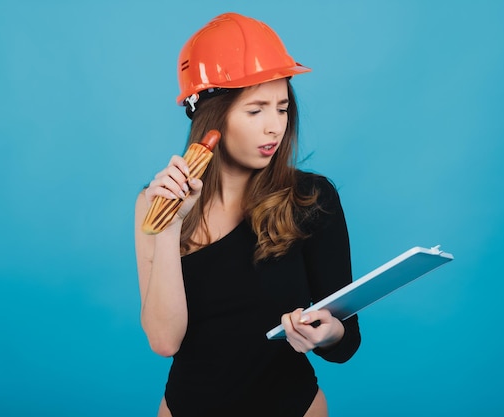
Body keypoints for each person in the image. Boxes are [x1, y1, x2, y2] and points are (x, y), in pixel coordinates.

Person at [134, 12, 361, 417]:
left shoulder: (312, 198)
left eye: (282, 108)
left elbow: (345, 343)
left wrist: (329, 333)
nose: (274, 127)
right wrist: (169, 229)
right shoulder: (155, 205)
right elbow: (164, 341)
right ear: (212, 117)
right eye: (255, 111)